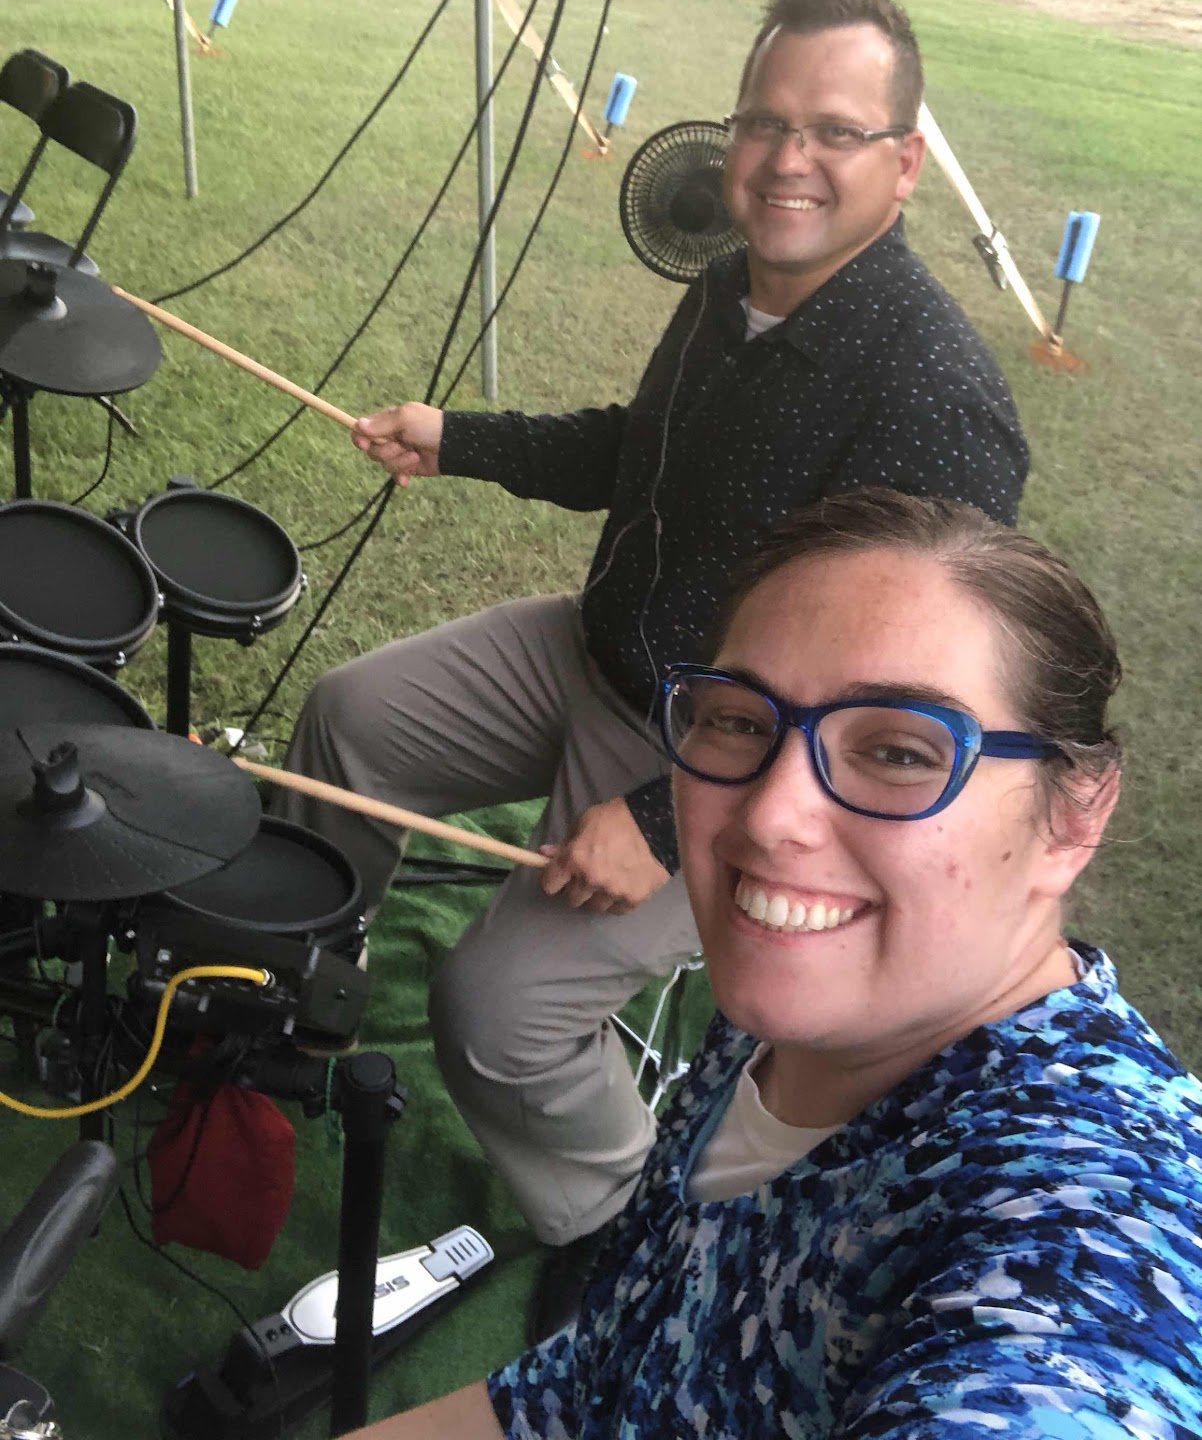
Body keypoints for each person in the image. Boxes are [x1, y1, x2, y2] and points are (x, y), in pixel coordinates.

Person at [275, 0, 1029, 1335]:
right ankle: (304, 993)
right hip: (597, 654)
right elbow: (642, 451)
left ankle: (617, 1217)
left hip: (735, 768)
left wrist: (662, 821)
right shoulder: (729, 283)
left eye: (834, 131)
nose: (787, 159)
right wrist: (458, 438)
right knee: (349, 721)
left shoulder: (934, 402)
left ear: (905, 163)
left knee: (494, 1011)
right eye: (764, 121)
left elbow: (879, 719)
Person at [340, 488, 1202, 1440]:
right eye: (739, 721)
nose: (768, 816)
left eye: (901, 753)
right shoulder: (801, 1018)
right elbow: (601, 1372)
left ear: (1075, 815)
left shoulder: (1099, 1221)